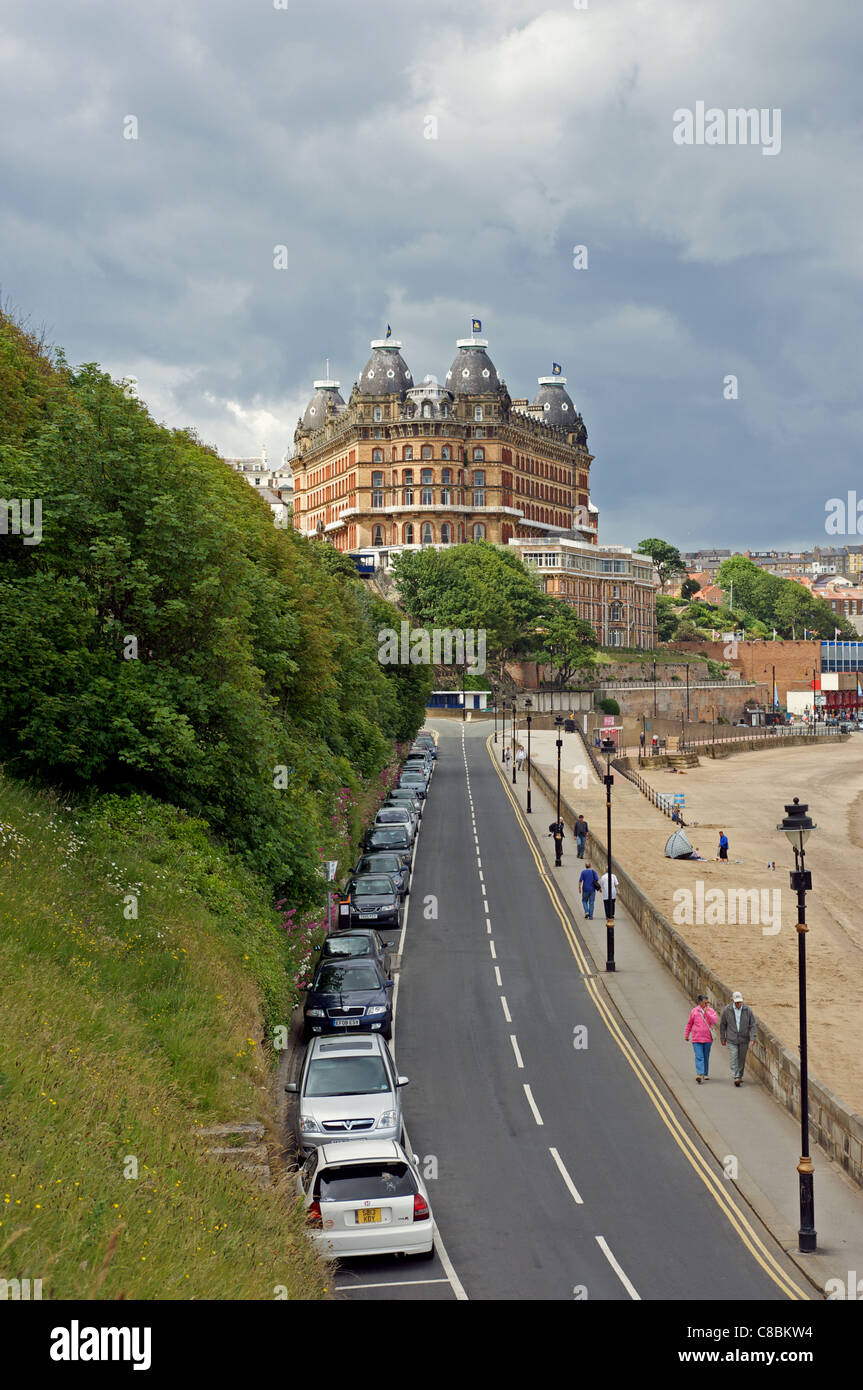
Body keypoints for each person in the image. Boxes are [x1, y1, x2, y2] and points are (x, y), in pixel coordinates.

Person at [719, 991, 757, 1086]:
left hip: (744, 1039)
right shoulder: (727, 1010)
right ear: (733, 1001)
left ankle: (739, 1075)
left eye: (740, 1002)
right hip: (732, 1038)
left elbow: (752, 1025)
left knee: (742, 1058)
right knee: (734, 1056)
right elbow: (723, 1024)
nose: (739, 1004)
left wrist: (753, 1037)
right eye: (737, 1002)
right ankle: (736, 1075)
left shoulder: (747, 1010)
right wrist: (722, 1038)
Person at [684, 994, 718, 1084]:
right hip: (697, 1038)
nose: (707, 1004)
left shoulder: (710, 1010)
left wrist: (707, 1013)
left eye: (707, 1002)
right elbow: (689, 1024)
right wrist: (687, 1034)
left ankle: (705, 1073)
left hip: (707, 1039)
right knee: (699, 1056)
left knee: (706, 1056)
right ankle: (699, 1074)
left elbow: (714, 1021)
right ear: (700, 1002)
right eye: (705, 1002)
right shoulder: (694, 1011)